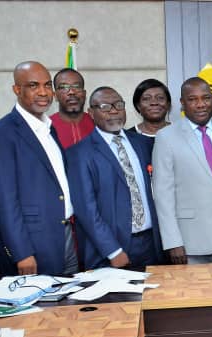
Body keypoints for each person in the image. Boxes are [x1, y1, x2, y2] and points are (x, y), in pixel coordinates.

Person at [0, 61, 79, 276]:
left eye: (47, 85)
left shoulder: (48, 129)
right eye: (34, 86)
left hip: (64, 235)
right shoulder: (1, 134)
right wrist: (21, 252)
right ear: (17, 90)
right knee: (41, 308)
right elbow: (4, 200)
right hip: (32, 244)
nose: (43, 92)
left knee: (68, 305)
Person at [67, 87, 163, 270]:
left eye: (118, 104)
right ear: (91, 113)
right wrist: (112, 250)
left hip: (151, 245)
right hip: (113, 251)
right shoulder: (79, 153)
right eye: (105, 106)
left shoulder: (141, 144)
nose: (114, 110)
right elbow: (86, 210)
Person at [153, 77, 212, 264]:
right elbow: (162, 193)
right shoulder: (166, 137)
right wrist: (172, 241)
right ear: (182, 104)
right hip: (189, 243)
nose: (201, 104)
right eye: (192, 99)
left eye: (206, 98)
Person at [50, 68, 93, 149]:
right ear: (55, 96)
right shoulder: (46, 127)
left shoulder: (98, 124)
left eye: (76, 86)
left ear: (84, 94)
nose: (71, 92)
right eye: (63, 87)